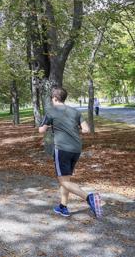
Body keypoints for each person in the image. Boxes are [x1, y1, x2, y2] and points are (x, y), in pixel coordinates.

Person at [39, 87, 102, 218]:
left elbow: (41, 130)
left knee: (63, 181)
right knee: (66, 178)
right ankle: (63, 207)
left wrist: (51, 125)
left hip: (62, 149)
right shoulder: (75, 111)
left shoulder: (51, 112)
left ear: (55, 98)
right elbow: (86, 129)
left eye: (52, 98)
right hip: (76, 149)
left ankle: (89, 198)